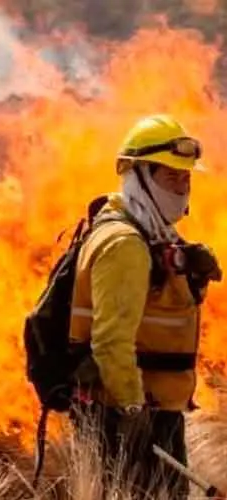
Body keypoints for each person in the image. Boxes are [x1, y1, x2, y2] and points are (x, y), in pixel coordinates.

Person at [67, 114, 221, 498]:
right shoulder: (124, 245)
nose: (183, 187)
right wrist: (133, 411)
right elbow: (111, 340)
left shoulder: (139, 231)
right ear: (139, 175)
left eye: (186, 177)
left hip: (146, 412)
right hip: (129, 416)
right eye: (172, 176)